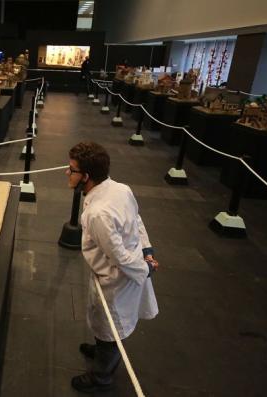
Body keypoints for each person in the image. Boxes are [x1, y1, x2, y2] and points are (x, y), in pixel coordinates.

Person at [65, 141, 159, 393]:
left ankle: (101, 375)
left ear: (86, 177)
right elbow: (137, 220)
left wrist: (145, 267)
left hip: (117, 280)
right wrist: (148, 252)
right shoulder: (119, 188)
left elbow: (120, 257)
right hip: (119, 272)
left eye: (71, 169)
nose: (67, 173)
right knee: (102, 323)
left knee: (110, 327)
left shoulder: (98, 213)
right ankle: (101, 348)